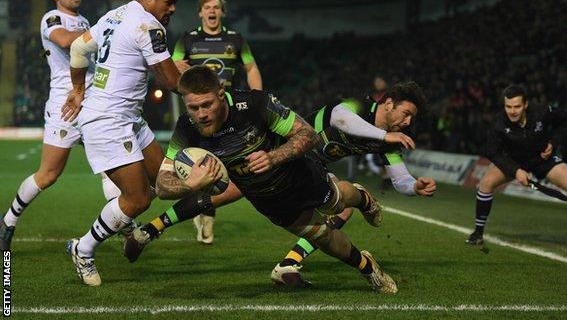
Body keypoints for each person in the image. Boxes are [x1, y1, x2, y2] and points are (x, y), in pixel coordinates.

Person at [125, 65, 398, 293]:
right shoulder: (187, 128)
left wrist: (273, 157)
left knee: (337, 201)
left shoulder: (255, 104)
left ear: (221, 94)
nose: (201, 114)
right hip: (267, 200)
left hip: (300, 175)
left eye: (206, 105)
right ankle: (368, 266)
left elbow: (307, 134)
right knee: (323, 236)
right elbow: (161, 183)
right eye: (193, 107)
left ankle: (362, 198)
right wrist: (190, 184)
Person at [61, 0, 187, 286]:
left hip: (129, 118)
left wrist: (78, 89)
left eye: (174, 4)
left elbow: (78, 49)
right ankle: (83, 249)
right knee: (138, 199)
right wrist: (203, 83)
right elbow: (171, 81)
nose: (172, 9)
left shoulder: (116, 15)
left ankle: (121, 222)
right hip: (108, 121)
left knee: (164, 181)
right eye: (169, 2)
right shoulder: (149, 26)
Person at [271, 81, 437, 286]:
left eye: (412, 117)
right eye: (406, 113)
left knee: (341, 207)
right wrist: (385, 135)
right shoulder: (361, 106)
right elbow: (339, 118)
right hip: (283, 155)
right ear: (389, 103)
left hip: (310, 168)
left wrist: (415, 187)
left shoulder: (387, 141)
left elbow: (401, 179)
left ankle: (289, 263)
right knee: (227, 194)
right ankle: (361, 200)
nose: (408, 122)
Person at [0, 0, 121, 251]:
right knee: (48, 174)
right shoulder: (51, 19)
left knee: (110, 168)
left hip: (93, 102)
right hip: (65, 105)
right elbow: (67, 41)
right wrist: (103, 30)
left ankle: (125, 225)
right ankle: (9, 220)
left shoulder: (84, 21)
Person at [465, 85, 567, 253]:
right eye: (508, 106)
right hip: (513, 160)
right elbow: (493, 152)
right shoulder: (498, 122)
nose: (512, 111)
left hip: (542, 159)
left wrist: (553, 143)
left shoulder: (541, 111)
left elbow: (565, 120)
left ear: (526, 105)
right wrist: (516, 170)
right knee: (486, 183)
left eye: (517, 106)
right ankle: (478, 233)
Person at [172, 0, 263, 244]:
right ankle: (205, 213)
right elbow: (174, 66)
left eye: (216, 7)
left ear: (222, 12)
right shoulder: (188, 39)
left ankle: (206, 213)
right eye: (207, 7)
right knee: (199, 162)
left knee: (222, 163)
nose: (212, 11)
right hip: (198, 113)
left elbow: (251, 67)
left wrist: (258, 97)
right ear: (200, 12)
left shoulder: (235, 39)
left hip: (228, 112)